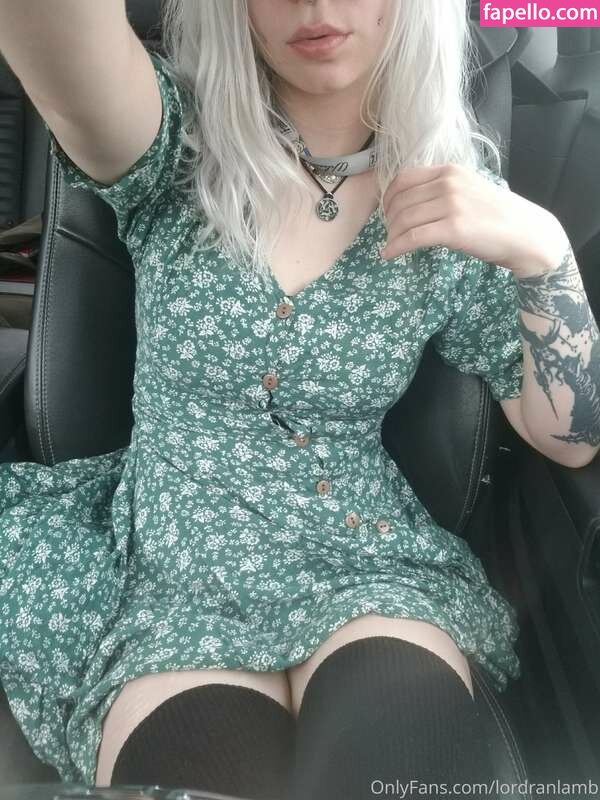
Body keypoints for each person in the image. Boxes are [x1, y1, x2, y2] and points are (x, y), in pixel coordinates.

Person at [1, 0, 598, 797]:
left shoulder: (453, 199)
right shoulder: (171, 147)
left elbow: (570, 436)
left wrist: (546, 256)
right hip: (172, 578)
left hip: (370, 568)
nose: (314, 6)